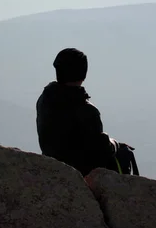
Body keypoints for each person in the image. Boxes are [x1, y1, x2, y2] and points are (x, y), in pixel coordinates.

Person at [36, 48, 119, 176]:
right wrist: (115, 144)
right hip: (81, 173)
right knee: (123, 155)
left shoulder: (45, 99)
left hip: (52, 164)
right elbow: (101, 149)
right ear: (84, 74)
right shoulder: (87, 111)